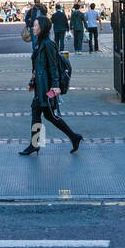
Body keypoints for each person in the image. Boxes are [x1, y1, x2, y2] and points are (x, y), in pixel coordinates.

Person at [18, 13, 84, 156]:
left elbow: (54, 67)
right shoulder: (39, 43)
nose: (33, 28)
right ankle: (38, 144)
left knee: (50, 115)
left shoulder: (48, 44)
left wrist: (55, 87)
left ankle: (72, 137)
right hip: (40, 87)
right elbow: (37, 67)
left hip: (48, 88)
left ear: (42, 28)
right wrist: (32, 82)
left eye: (35, 25)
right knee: (41, 113)